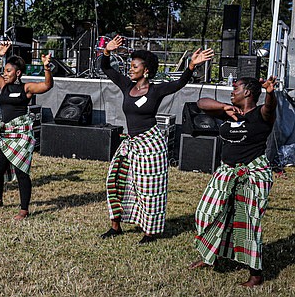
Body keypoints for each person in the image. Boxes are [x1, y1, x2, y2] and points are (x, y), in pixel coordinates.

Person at [99, 35, 214, 243]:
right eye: (131, 66)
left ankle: (150, 231)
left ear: (146, 70)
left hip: (151, 143)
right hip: (130, 144)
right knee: (115, 180)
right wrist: (107, 51)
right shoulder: (126, 85)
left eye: (134, 66)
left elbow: (180, 83)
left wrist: (191, 66)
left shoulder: (156, 90)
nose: (130, 69)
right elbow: (106, 68)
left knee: (149, 189)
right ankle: (115, 226)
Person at [190, 77, 277, 287]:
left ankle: (255, 275)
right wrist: (224, 106)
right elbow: (201, 103)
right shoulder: (229, 112)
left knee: (247, 224)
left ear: (247, 92)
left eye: (235, 88)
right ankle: (211, 254)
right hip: (226, 171)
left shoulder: (261, 114)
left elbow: (269, 107)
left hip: (252, 174)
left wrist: (270, 93)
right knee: (206, 213)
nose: (232, 91)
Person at [0, 41, 53, 220]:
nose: (4, 74)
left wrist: (47, 68)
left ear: (18, 73)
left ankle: (24, 209)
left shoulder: (26, 88)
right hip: (4, 134)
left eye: (8, 71)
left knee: (22, 171)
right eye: (4, 70)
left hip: (21, 134)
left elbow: (47, 86)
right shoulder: (3, 85)